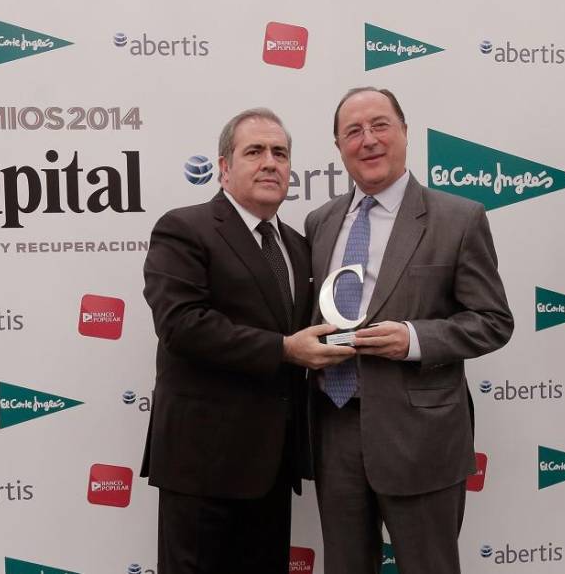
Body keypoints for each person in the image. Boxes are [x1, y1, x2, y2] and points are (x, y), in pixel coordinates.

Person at [305, 87, 514, 574]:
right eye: (353, 131)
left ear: (404, 132)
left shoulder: (459, 218)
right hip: (334, 427)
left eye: (380, 125)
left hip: (420, 437)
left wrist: (413, 340)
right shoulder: (320, 222)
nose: (368, 140)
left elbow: (493, 321)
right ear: (338, 147)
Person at [141, 107, 354, 574]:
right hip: (202, 466)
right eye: (254, 151)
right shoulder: (184, 228)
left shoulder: (297, 245)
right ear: (224, 167)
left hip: (271, 468)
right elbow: (181, 325)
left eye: (280, 153)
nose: (270, 163)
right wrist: (285, 349)